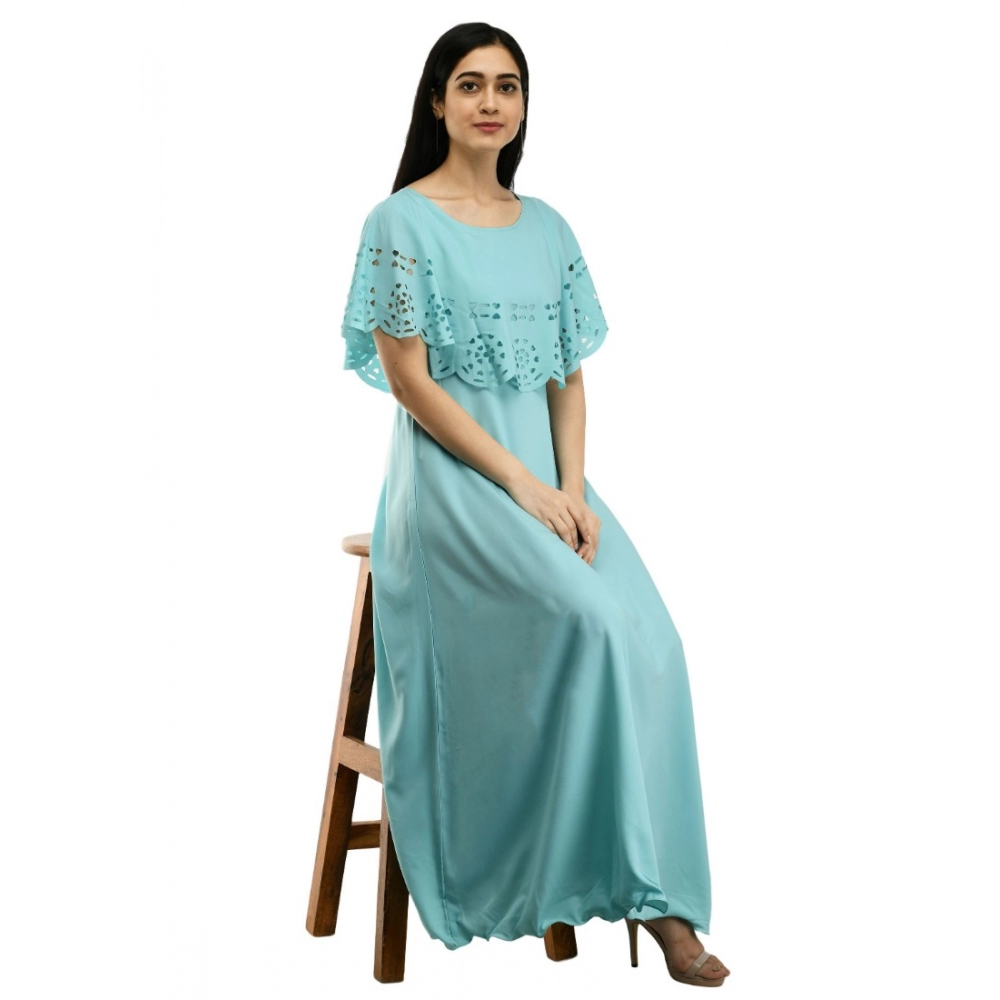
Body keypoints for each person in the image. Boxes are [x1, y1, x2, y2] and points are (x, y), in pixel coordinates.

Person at [339, 21, 730, 986]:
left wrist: (571, 489)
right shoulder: (399, 223)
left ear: (523, 105)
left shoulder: (549, 226)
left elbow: (568, 378)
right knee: (592, 625)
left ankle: (654, 887)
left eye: (507, 85)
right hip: (451, 486)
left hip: (551, 484)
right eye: (470, 84)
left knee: (655, 642)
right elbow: (411, 383)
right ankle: (624, 891)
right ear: (437, 101)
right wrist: (520, 485)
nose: (490, 102)